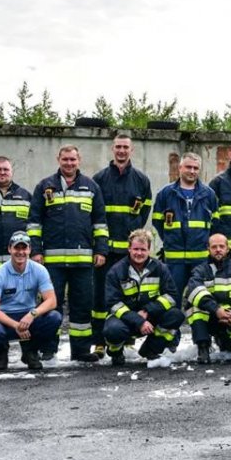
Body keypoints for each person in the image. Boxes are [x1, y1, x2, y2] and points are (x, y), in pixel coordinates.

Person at [27, 145, 108, 362]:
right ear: (58, 160)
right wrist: (35, 251)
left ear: (79, 160)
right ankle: (48, 348)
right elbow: (34, 223)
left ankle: (81, 350)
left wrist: (101, 250)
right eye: (65, 159)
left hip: (83, 262)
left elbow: (100, 222)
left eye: (73, 159)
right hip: (51, 262)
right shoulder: (45, 187)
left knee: (82, 307)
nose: (69, 163)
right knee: (49, 305)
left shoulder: (91, 187)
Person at [92, 134, 152, 358]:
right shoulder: (99, 179)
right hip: (105, 252)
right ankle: (98, 342)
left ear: (131, 150)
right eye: (118, 147)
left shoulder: (141, 180)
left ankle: (125, 338)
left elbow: (143, 214)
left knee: (128, 297)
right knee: (99, 298)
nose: (121, 151)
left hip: (129, 255)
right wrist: (99, 247)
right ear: (112, 149)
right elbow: (95, 215)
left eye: (125, 147)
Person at [0, 231, 62, 371]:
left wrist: (32, 314)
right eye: (16, 248)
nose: (20, 252)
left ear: (29, 249)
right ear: (9, 249)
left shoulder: (39, 270)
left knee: (54, 317)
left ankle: (30, 350)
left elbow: (52, 301)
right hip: (5, 319)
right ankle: (0, 353)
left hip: (28, 316)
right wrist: (15, 325)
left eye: (24, 248)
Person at [102, 229, 183, 366]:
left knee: (176, 315)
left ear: (149, 250)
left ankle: (150, 350)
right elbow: (113, 303)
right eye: (136, 249)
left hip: (150, 316)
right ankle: (115, 352)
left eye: (143, 250)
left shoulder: (160, 268)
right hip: (125, 318)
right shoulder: (116, 271)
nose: (139, 253)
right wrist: (138, 321)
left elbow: (172, 296)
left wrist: (147, 311)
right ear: (129, 249)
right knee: (112, 330)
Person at [152, 152, 217, 300]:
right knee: (171, 298)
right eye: (188, 167)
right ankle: (172, 324)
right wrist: (171, 239)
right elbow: (157, 222)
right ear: (180, 168)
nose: (192, 171)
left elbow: (215, 224)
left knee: (201, 299)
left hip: (200, 259)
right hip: (174, 260)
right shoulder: (165, 194)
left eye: (196, 168)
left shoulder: (209, 195)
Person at [185, 233, 231, 364]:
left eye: (221, 246)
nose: (218, 249)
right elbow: (194, 292)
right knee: (195, 309)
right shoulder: (200, 270)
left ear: (227, 249)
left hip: (230, 317)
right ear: (208, 249)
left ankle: (227, 345)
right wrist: (216, 310)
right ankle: (203, 347)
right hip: (210, 317)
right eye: (214, 247)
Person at [0, 156, 32, 293]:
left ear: (11, 172)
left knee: (18, 300)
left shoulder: (25, 196)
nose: (2, 172)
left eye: (5, 169)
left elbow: (33, 226)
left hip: (18, 261)